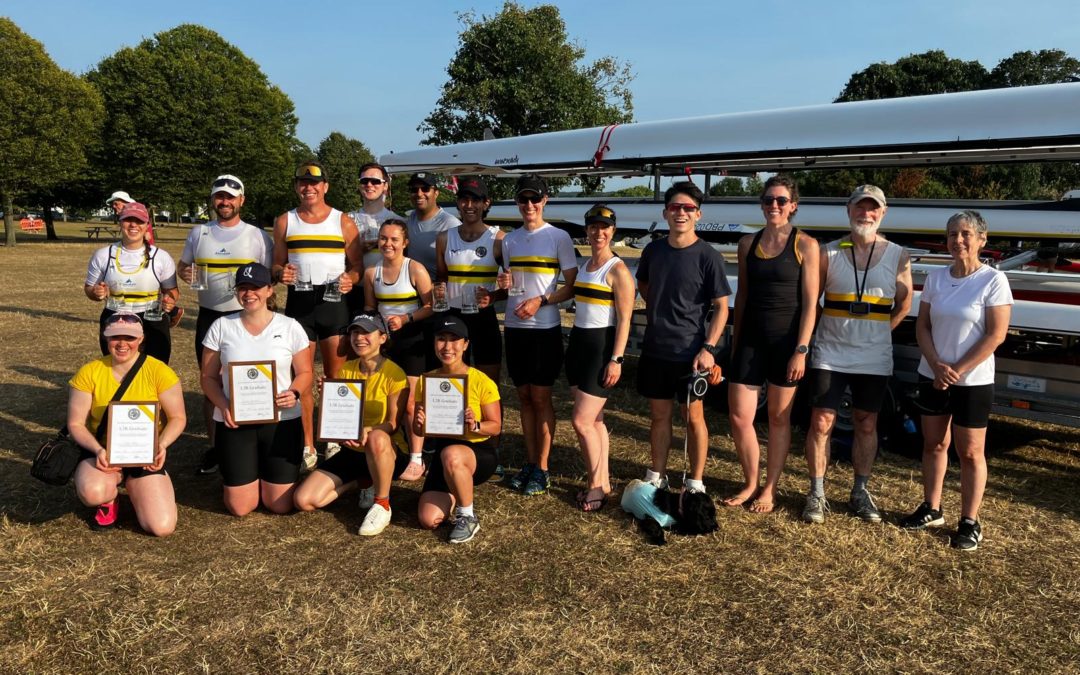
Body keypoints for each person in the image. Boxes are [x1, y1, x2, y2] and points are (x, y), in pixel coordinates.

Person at [900, 210, 1013, 551]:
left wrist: (957, 370)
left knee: (971, 452)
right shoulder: (935, 279)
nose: (958, 240)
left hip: (972, 381)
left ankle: (969, 521)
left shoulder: (993, 280)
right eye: (952, 234)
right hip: (933, 375)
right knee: (934, 444)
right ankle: (932, 508)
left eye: (965, 234)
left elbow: (996, 335)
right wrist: (936, 365)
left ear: (982, 239)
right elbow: (923, 326)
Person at [800, 185, 912, 524]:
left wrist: (880, 333)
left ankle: (860, 490)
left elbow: (904, 303)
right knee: (821, 422)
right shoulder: (827, 253)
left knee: (866, 422)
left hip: (874, 356)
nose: (866, 214)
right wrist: (810, 342)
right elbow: (812, 302)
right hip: (831, 352)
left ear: (883, 212)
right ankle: (817, 492)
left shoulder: (898, 254)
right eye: (859, 207)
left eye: (872, 208)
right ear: (848, 210)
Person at [725, 176, 820, 512]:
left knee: (779, 419)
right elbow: (744, 295)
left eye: (781, 201)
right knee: (739, 416)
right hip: (751, 341)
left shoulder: (806, 244)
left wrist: (802, 349)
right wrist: (734, 345)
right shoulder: (747, 243)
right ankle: (750, 481)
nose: (774, 206)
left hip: (787, 344)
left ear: (793, 205)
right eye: (768, 200)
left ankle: (769, 488)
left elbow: (811, 303)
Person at [635, 181, 731, 494]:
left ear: (698, 214)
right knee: (659, 416)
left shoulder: (708, 256)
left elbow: (721, 307)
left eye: (688, 208)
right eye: (675, 207)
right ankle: (657, 474)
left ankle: (695, 481)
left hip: (690, 352)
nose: (681, 213)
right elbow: (645, 286)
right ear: (665, 213)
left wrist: (708, 349)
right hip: (655, 348)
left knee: (693, 418)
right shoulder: (653, 250)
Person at [199, 263, 313, 516]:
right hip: (235, 422)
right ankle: (246, 470)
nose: (249, 294)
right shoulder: (221, 325)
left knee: (279, 504)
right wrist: (223, 404)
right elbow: (207, 377)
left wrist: (293, 393)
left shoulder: (289, 326)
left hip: (282, 421)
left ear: (270, 290)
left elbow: (305, 372)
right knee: (240, 507)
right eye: (243, 288)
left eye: (256, 288)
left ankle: (266, 468)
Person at [178, 174, 273, 476]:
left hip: (244, 315)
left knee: (252, 381)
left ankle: (253, 443)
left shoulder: (257, 235)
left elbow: (268, 276)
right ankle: (217, 447)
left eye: (231, 197)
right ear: (213, 200)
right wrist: (186, 274)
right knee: (211, 384)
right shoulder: (199, 232)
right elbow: (183, 266)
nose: (225, 202)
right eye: (220, 196)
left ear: (241, 200)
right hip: (209, 315)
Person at [272, 162, 363, 467]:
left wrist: (352, 278)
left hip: (333, 301)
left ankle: (335, 439)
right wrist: (279, 273)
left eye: (314, 183)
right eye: (302, 183)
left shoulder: (344, 222)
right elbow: (276, 264)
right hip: (299, 302)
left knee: (336, 377)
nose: (308, 188)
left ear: (325, 186)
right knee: (302, 376)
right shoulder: (285, 221)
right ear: (297, 187)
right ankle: (308, 444)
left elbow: (357, 267)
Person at [293, 312, 413, 536]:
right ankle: (361, 481)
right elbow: (341, 417)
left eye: (366, 332)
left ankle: (382, 503)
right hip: (352, 450)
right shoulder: (346, 369)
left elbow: (393, 424)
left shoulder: (395, 373)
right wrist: (329, 396)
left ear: (383, 338)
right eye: (355, 332)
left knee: (377, 437)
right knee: (304, 500)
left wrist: (366, 431)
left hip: (386, 451)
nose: (359, 337)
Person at [68, 312, 186, 535]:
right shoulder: (89, 372)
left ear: (141, 339)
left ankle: (137, 486)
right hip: (102, 452)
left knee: (161, 527)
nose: (122, 344)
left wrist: (161, 445)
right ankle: (109, 498)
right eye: (115, 337)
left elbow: (178, 418)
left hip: (145, 454)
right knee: (93, 492)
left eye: (129, 338)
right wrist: (98, 450)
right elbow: (75, 424)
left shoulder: (159, 371)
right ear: (106, 338)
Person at [498, 174, 578, 496]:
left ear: (545, 200)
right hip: (515, 329)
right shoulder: (510, 240)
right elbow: (509, 282)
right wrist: (503, 286)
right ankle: (529, 463)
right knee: (524, 398)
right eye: (523, 200)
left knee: (542, 398)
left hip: (544, 329)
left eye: (534, 199)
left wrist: (541, 300)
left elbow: (571, 286)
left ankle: (543, 468)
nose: (528, 205)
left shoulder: (559, 237)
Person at [565, 204, 634, 511]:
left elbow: (625, 320)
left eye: (604, 228)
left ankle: (595, 488)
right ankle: (603, 482)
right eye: (593, 227)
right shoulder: (585, 266)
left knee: (581, 421)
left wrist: (617, 359)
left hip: (601, 347)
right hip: (578, 343)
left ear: (612, 231)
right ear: (587, 230)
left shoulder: (618, 270)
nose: (598, 232)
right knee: (595, 420)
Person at [414, 315, 502, 544]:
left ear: (465, 344)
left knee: (451, 454)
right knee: (428, 519)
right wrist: (419, 423)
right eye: (441, 339)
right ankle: (456, 487)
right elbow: (420, 431)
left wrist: (476, 425)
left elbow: (496, 427)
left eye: (454, 340)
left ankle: (467, 515)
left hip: (478, 451)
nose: (447, 346)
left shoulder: (482, 380)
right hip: (446, 456)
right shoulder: (427, 380)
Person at [363, 218, 434, 481]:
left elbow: (432, 306)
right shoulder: (372, 272)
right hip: (386, 342)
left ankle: (417, 458)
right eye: (383, 238)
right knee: (386, 399)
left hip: (413, 339)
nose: (388, 244)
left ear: (405, 242)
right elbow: (370, 309)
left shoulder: (414, 269)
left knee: (410, 403)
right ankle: (391, 448)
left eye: (394, 239)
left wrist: (406, 319)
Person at [83, 202, 178, 364]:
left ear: (147, 225)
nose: (133, 225)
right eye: (128, 220)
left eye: (139, 221)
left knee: (155, 370)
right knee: (118, 369)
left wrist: (169, 301)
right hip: (115, 316)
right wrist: (96, 292)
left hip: (152, 318)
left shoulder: (161, 257)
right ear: (120, 222)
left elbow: (173, 291)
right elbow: (88, 289)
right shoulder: (103, 255)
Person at [436, 176, 505, 381]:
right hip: (453, 317)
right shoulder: (444, 238)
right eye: (464, 199)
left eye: (475, 200)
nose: (469, 205)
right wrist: (438, 291)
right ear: (458, 203)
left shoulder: (499, 239)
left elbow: (514, 286)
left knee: (489, 384)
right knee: (454, 382)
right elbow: (441, 279)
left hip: (484, 317)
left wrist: (493, 296)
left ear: (486, 203)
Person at [348, 162, 402, 312]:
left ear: (385, 186)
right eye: (364, 181)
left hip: (388, 291)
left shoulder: (398, 221)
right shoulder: (346, 220)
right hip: (355, 290)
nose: (369, 185)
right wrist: (358, 250)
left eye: (375, 181)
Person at [405, 172, 461, 281]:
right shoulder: (410, 219)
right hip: (410, 291)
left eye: (425, 189)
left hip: (437, 292)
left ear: (436, 193)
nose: (419, 193)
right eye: (414, 190)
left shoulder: (450, 224)